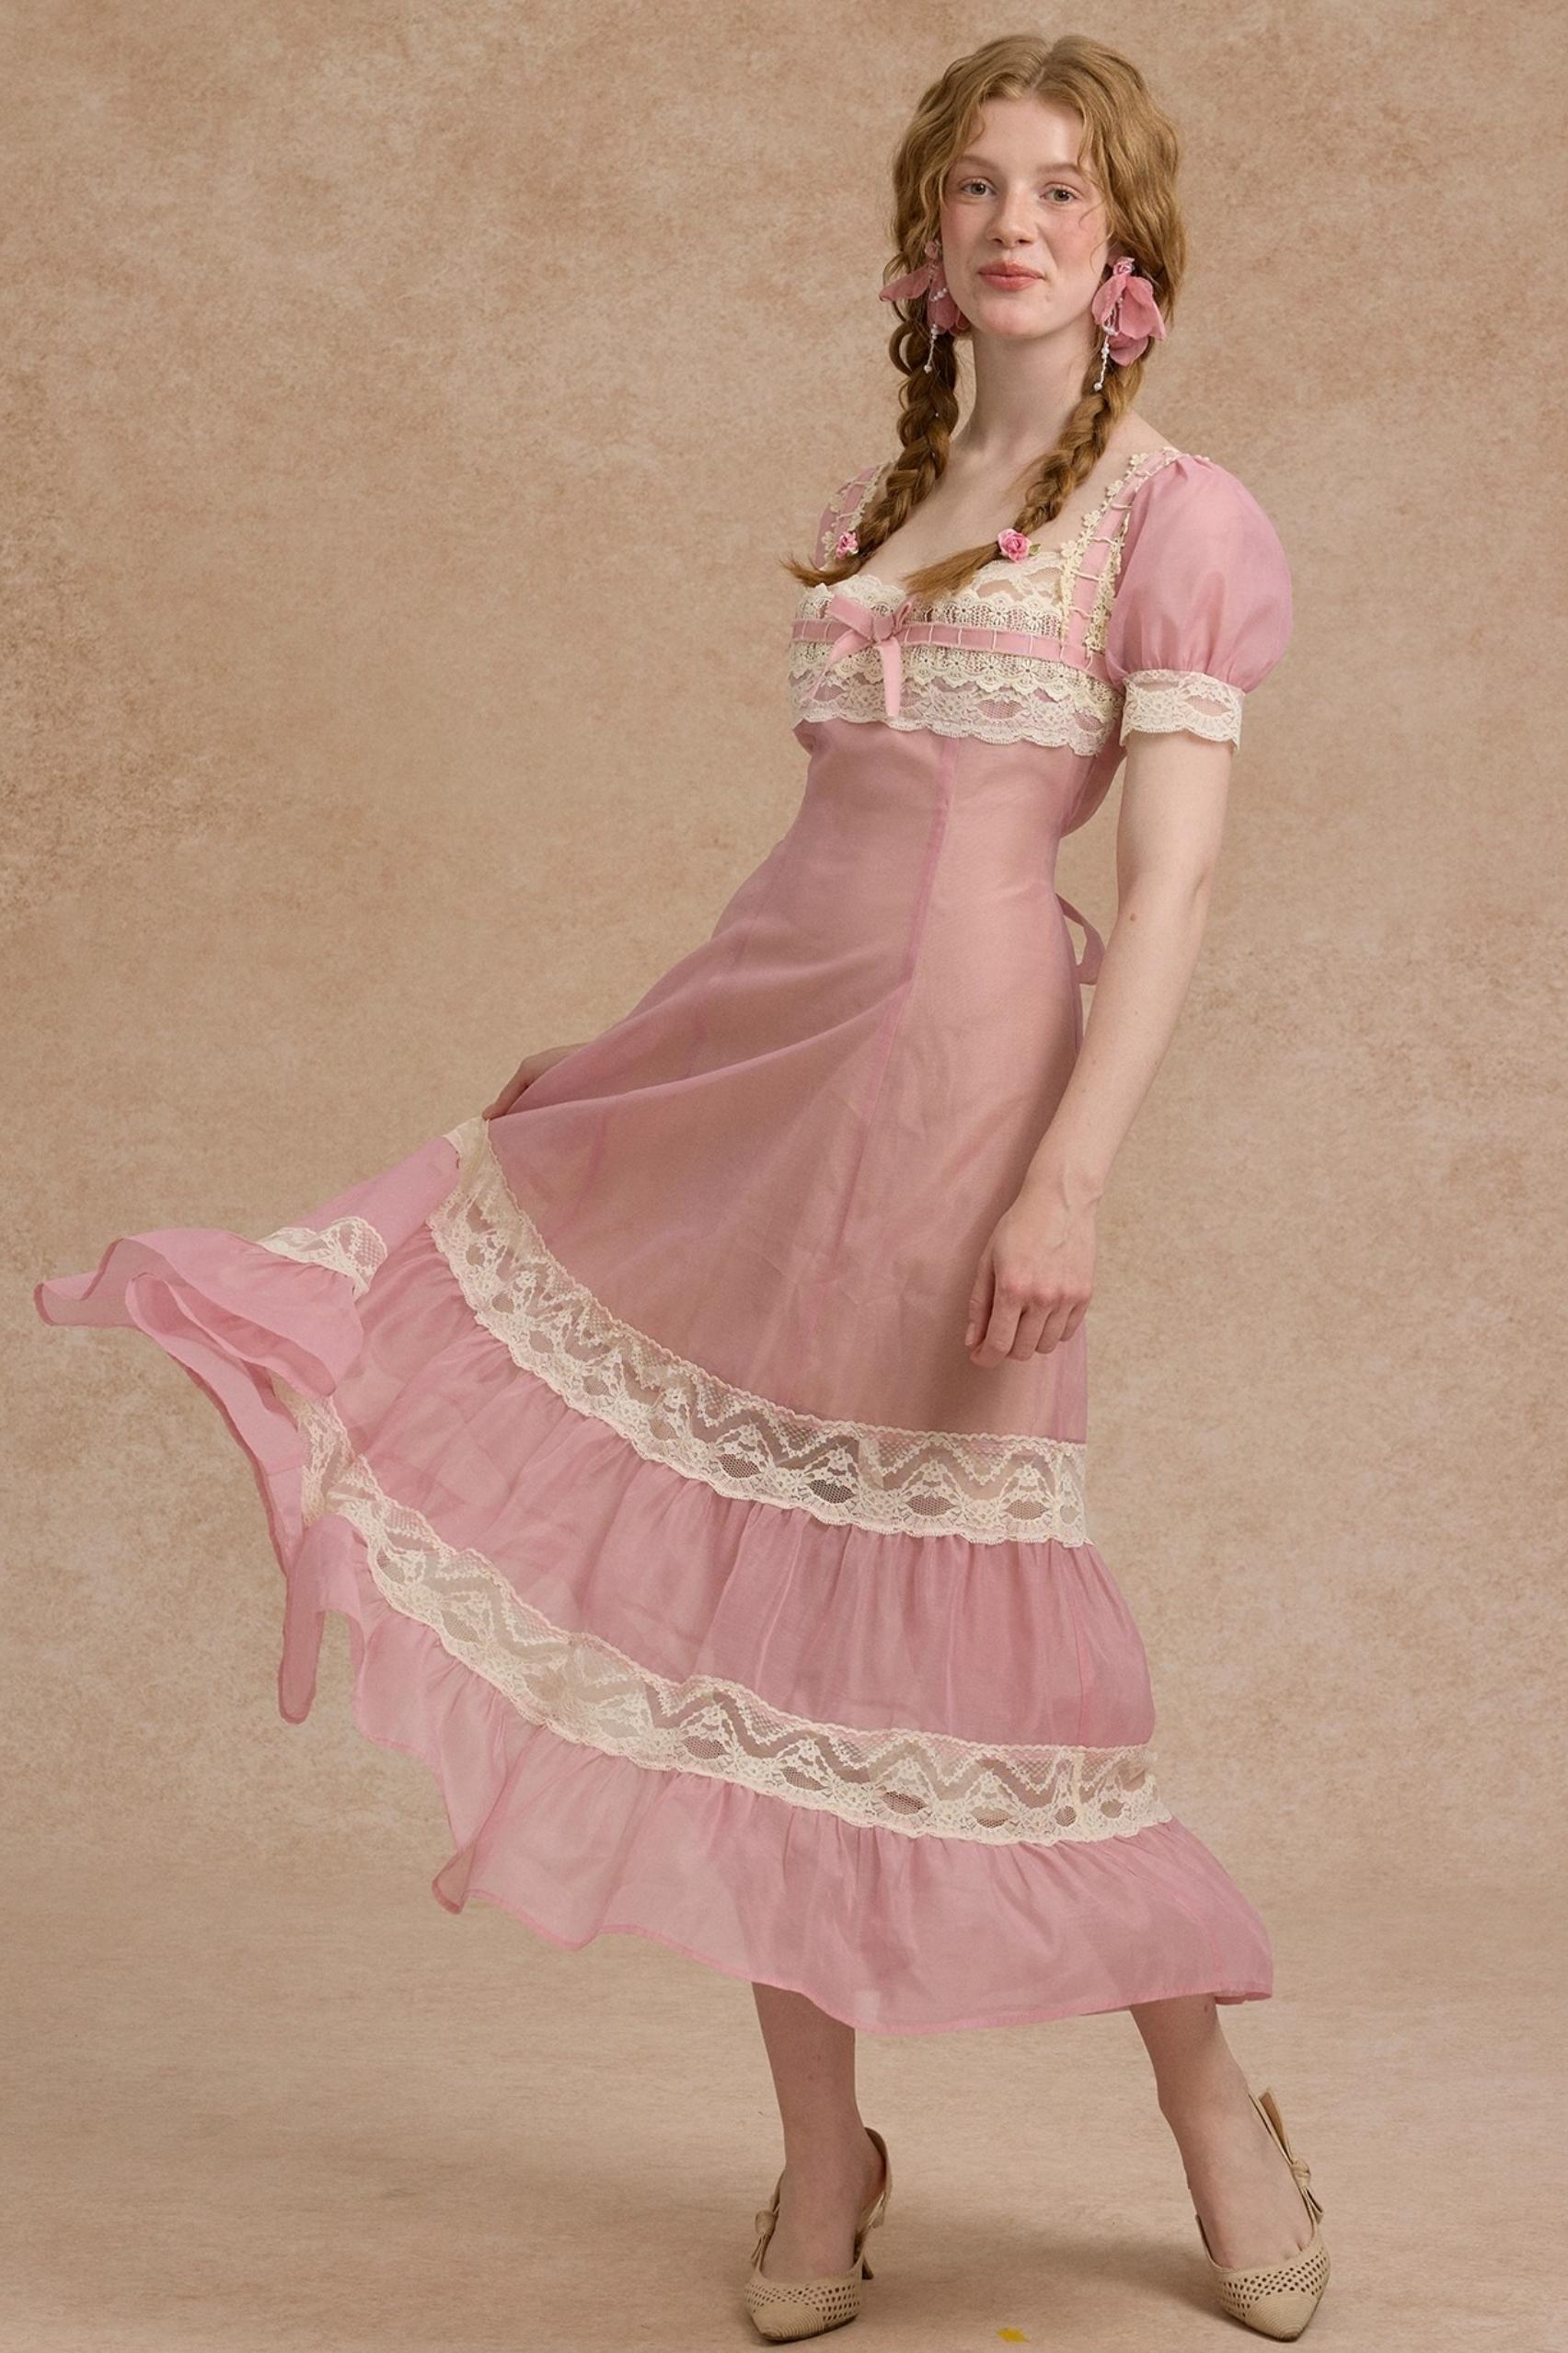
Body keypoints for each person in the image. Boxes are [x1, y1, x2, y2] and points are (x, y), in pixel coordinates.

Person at [32, 29, 1330, 2349]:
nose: (1015, 224)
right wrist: (630, 1065)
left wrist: (1069, 1179)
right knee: (748, 1644)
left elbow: (1181, 889)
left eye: (1062, 189)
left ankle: (1212, 2101)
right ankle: (827, 2151)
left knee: (997, 1638)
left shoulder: (1179, 522)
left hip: (967, 1110)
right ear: (926, 238)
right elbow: (810, 871)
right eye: (976, 188)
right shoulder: (885, 494)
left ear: (1128, 246)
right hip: (767, 1094)